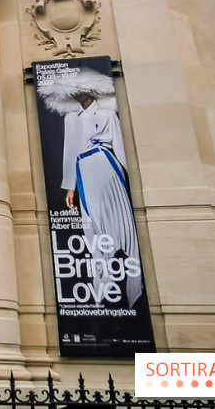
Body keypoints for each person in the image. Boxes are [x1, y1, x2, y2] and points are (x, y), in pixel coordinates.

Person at [40, 67, 142, 309]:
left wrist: (129, 180)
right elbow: (69, 153)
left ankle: (133, 287)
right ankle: (102, 289)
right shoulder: (70, 119)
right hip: (83, 171)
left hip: (106, 165)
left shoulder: (107, 115)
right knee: (92, 227)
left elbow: (118, 145)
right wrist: (70, 188)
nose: (78, 96)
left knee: (119, 222)